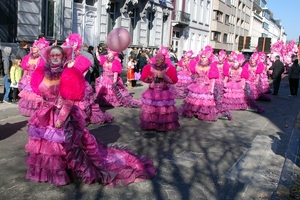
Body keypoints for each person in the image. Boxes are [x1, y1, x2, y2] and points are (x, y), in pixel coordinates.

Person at [25, 45, 156, 187]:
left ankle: (64, 172)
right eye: (53, 55)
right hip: (44, 115)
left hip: (61, 115)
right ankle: (47, 172)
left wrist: (61, 118)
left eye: (58, 55)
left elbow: (70, 100)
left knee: (63, 145)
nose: (55, 58)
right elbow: (40, 93)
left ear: (63, 57)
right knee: (44, 146)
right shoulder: (41, 73)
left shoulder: (68, 74)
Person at [62, 33, 113, 125]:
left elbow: (83, 74)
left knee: (79, 105)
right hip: (66, 85)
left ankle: (78, 117)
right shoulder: (64, 60)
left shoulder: (81, 60)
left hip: (78, 86)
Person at [140, 52, 180, 131]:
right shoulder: (151, 67)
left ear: (162, 60)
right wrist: (149, 78)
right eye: (156, 60)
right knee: (151, 109)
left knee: (162, 110)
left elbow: (172, 81)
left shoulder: (168, 68)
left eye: (158, 60)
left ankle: (162, 125)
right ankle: (151, 125)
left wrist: (163, 76)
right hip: (152, 92)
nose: (156, 62)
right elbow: (149, 80)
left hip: (163, 92)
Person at [179, 46, 220, 121]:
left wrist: (211, 88)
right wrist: (187, 65)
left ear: (208, 58)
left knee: (204, 101)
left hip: (206, 86)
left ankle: (202, 114)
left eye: (204, 57)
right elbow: (192, 72)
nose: (203, 58)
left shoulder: (210, 66)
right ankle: (194, 112)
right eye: (202, 57)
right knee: (194, 100)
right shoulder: (197, 65)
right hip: (196, 85)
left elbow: (212, 79)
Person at [18, 38, 49, 116]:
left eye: (35, 47)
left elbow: (43, 72)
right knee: (27, 96)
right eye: (33, 47)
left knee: (35, 96)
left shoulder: (42, 59)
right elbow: (25, 69)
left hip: (36, 80)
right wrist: (22, 78)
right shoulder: (28, 57)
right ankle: (29, 111)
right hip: (27, 79)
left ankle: (36, 110)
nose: (32, 48)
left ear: (40, 48)